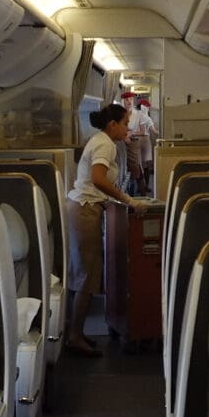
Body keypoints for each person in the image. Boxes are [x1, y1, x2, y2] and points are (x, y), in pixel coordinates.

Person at [64, 104, 147, 356]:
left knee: (85, 271)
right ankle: (75, 336)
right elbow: (98, 179)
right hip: (85, 209)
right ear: (112, 124)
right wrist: (128, 200)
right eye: (124, 123)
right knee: (87, 274)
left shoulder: (101, 140)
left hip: (85, 207)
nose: (127, 128)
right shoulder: (105, 144)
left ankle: (76, 332)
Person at [129, 97, 159, 195]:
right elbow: (154, 131)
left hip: (134, 141)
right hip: (145, 140)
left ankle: (139, 187)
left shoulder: (133, 115)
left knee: (138, 164)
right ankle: (144, 187)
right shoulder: (147, 118)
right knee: (146, 164)